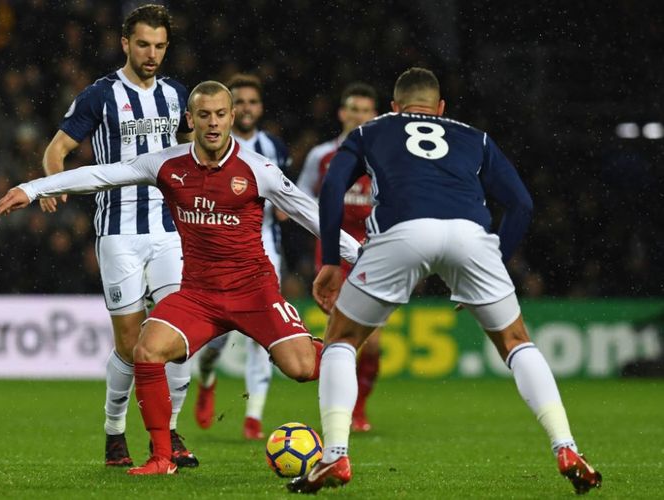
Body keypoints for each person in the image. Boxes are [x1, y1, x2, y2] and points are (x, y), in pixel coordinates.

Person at [0, 80, 361, 476]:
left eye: (221, 114)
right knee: (147, 350)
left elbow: (313, 216)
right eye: (204, 115)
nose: (213, 123)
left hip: (253, 292)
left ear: (232, 117)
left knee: (302, 369)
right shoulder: (167, 164)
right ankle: (162, 457)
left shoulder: (259, 170)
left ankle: (335, 352)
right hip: (199, 296)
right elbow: (102, 175)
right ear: (190, 119)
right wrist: (32, 189)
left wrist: (365, 258)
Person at [287, 67, 602, 495]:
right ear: (440, 108)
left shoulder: (372, 131)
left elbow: (333, 187)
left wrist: (328, 260)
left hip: (402, 231)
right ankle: (567, 447)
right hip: (470, 234)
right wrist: (495, 260)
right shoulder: (475, 136)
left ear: (395, 108)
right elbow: (522, 203)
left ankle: (334, 457)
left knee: (341, 339)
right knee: (515, 341)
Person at [39, 4, 197, 468]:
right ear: (125, 44)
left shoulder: (175, 93)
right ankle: (114, 432)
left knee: (178, 337)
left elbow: (192, 148)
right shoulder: (100, 95)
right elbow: (57, 150)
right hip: (119, 234)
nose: (152, 54)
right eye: (144, 44)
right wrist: (53, 185)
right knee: (131, 347)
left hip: (170, 231)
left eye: (160, 46)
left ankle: (167, 434)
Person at [194, 73, 292, 440]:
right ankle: (206, 378)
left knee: (262, 336)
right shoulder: (212, 144)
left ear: (260, 108)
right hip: (220, 249)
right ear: (231, 112)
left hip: (266, 249)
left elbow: (285, 195)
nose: (248, 108)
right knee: (213, 341)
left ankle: (253, 416)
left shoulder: (276, 148)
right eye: (242, 103)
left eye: (254, 102)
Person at [296, 82, 380, 432]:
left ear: (374, 116)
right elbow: (300, 198)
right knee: (343, 336)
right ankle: (339, 411)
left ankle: (357, 408)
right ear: (342, 113)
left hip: (375, 254)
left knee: (372, 347)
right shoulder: (322, 156)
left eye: (365, 111)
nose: (359, 116)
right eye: (353, 109)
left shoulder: (385, 156)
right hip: (333, 256)